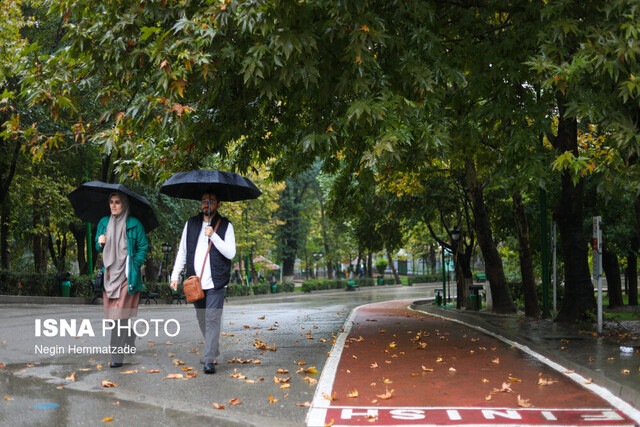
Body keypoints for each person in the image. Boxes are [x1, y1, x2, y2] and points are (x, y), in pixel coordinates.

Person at [170, 193, 236, 374]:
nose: (207, 204)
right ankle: (212, 348)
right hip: (195, 282)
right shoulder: (190, 224)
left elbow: (231, 253)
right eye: (204, 201)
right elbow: (182, 251)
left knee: (212, 319)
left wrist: (214, 236)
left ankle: (209, 359)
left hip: (216, 282)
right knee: (202, 319)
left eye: (211, 201)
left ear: (218, 204)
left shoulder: (226, 226)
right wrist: (175, 275)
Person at [96, 192, 149, 368]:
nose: (113, 205)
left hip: (127, 277)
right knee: (113, 318)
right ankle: (130, 334)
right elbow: (98, 247)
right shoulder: (103, 223)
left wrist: (135, 263)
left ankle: (116, 357)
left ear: (124, 204)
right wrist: (99, 242)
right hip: (110, 276)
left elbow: (143, 247)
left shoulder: (135, 224)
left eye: (117, 202)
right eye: (111, 202)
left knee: (118, 317)